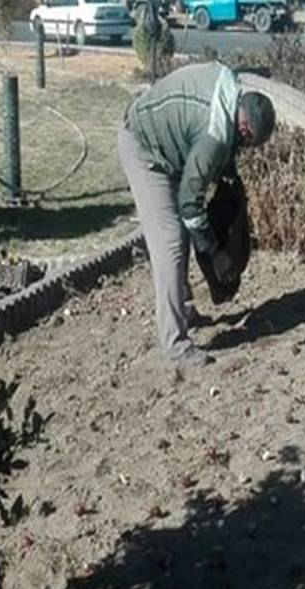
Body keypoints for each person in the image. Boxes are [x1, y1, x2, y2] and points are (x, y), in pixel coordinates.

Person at [118, 61, 276, 369]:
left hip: (171, 145)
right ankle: (174, 343)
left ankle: (183, 308)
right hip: (144, 148)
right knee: (172, 243)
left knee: (180, 233)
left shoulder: (231, 88)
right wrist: (216, 253)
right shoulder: (214, 136)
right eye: (248, 143)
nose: (245, 148)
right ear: (244, 128)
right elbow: (190, 205)